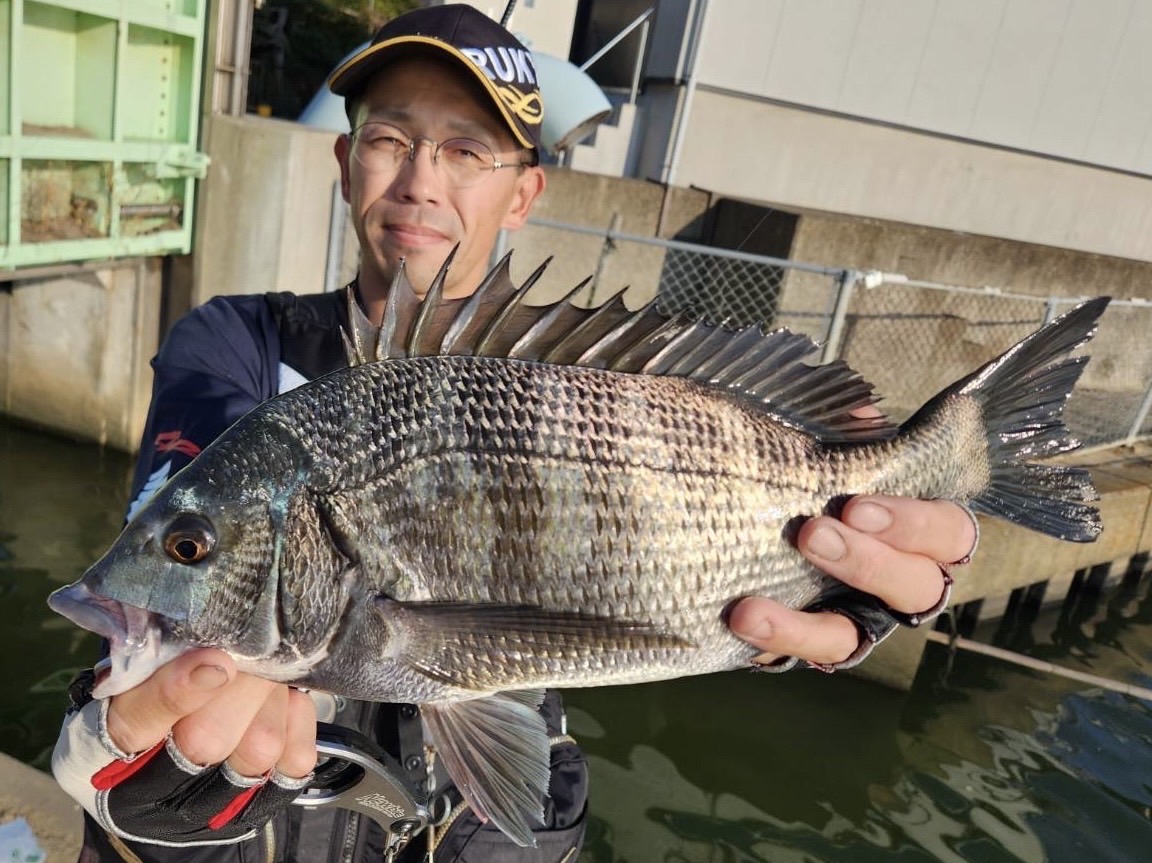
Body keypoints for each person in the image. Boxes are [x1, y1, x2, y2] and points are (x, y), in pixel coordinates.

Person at [51, 5, 978, 862]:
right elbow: (197, 537)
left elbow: (697, 584)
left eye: (466, 150)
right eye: (388, 139)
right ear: (344, 165)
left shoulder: (587, 382)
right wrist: (138, 756)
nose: (420, 180)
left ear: (526, 192)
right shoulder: (233, 346)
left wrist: (852, 590)